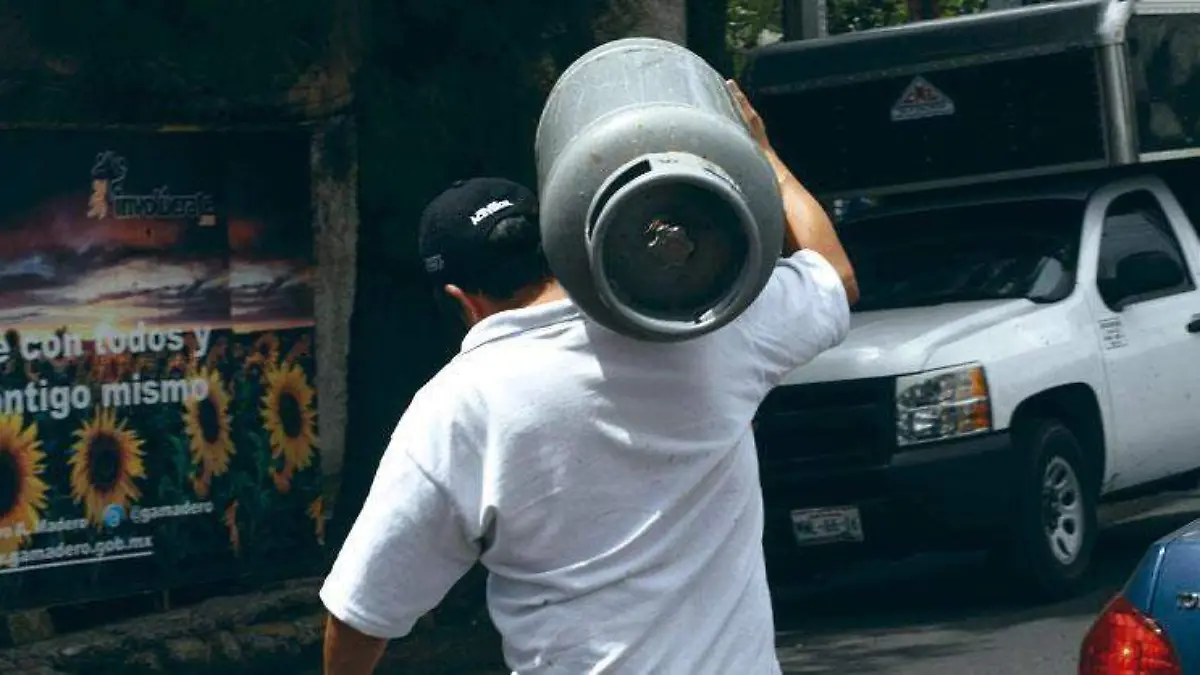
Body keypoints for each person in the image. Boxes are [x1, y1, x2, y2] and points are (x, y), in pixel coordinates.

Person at [320, 81, 859, 675]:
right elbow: (833, 277)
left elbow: (362, 612)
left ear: (460, 300)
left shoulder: (459, 408)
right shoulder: (699, 326)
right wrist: (762, 154)